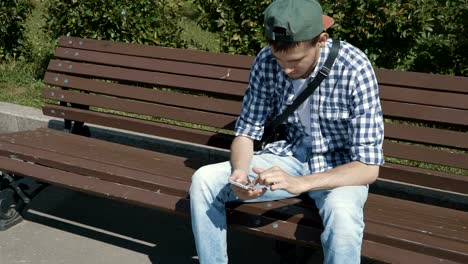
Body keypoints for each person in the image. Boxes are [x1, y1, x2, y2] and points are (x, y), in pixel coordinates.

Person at [189, 0, 384, 263]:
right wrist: (240, 174)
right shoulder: (266, 60)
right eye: (280, 60)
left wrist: (300, 183)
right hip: (286, 156)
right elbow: (246, 133)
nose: (286, 69)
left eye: (295, 61)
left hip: (339, 166)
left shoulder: (355, 68)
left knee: (344, 222)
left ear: (321, 40)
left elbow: (368, 168)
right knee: (204, 180)